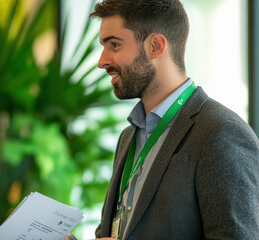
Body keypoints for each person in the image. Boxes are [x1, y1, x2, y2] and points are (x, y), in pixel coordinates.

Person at [67, 0, 259, 239]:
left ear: (155, 46)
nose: (102, 61)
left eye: (114, 45)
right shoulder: (129, 136)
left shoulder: (222, 133)